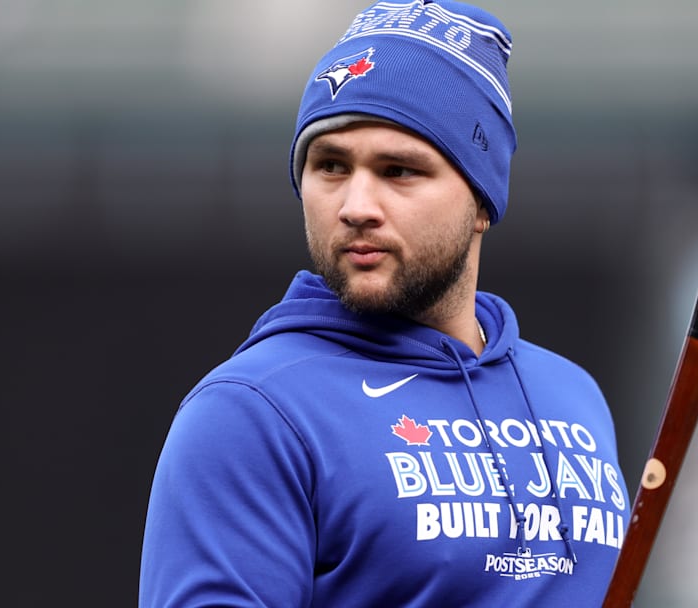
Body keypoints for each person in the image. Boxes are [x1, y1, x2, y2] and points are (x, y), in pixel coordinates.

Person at [138, 1, 629, 605]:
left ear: (482, 201)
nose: (356, 205)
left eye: (398, 170)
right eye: (330, 166)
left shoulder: (572, 396)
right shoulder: (250, 415)